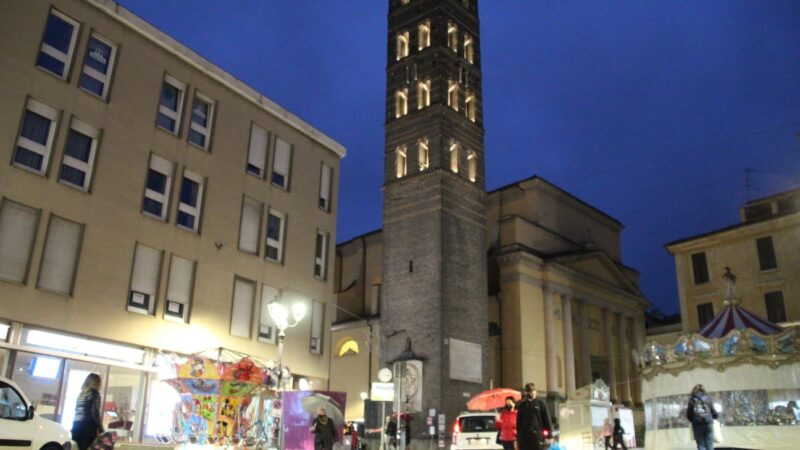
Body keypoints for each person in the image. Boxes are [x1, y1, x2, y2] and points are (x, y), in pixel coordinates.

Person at [71, 373, 104, 450]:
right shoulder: (95, 394)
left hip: (76, 426)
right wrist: (101, 429)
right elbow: (95, 412)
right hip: (88, 428)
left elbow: (76, 410)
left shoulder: (81, 394)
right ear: (97, 383)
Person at [516, 383, 552, 450]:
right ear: (526, 393)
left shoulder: (541, 403)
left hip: (537, 436)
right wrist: (518, 437)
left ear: (535, 391)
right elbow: (518, 422)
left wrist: (549, 436)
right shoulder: (522, 405)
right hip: (524, 437)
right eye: (529, 392)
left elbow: (547, 419)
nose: (531, 393)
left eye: (533, 391)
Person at [686, 384, 718, 450]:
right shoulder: (708, 398)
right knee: (709, 444)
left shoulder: (692, 399)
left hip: (697, 423)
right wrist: (714, 417)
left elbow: (689, 413)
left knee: (700, 444)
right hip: (708, 422)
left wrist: (693, 420)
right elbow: (713, 411)